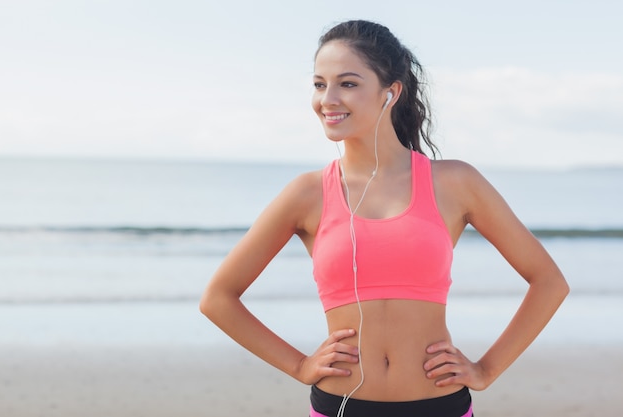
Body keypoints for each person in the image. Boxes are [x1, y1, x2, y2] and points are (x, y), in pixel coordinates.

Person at [200, 19, 569, 417]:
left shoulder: (456, 182)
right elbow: (218, 299)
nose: (328, 98)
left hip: (440, 405)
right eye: (319, 84)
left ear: (390, 92)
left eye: (348, 83)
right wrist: (298, 365)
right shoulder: (306, 193)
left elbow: (549, 282)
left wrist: (487, 369)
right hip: (340, 407)